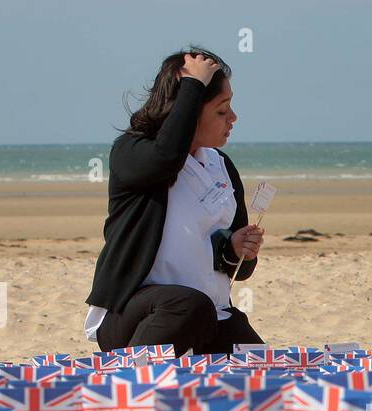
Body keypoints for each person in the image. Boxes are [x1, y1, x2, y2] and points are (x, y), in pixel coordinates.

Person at [84, 48, 265, 355]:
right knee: (189, 305)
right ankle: (126, 386)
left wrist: (238, 251)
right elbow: (166, 157)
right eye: (222, 110)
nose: (232, 118)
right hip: (133, 314)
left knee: (263, 367)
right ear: (189, 108)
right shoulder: (131, 151)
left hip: (210, 312)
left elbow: (237, 269)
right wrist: (192, 85)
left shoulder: (221, 164)